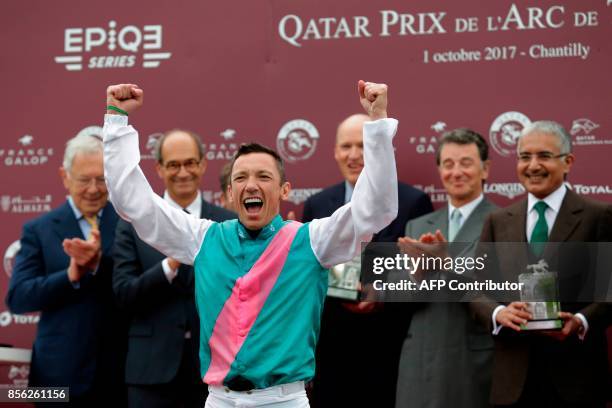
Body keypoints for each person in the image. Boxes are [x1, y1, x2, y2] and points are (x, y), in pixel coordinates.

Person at [102, 80, 398, 407]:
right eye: (240, 178)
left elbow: (375, 208)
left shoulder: (312, 240)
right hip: (219, 400)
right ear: (229, 193)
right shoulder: (203, 239)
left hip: (284, 401)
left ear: (285, 190)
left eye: (264, 177)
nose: (251, 185)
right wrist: (117, 121)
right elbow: (133, 202)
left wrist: (378, 123)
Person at [471, 121, 612, 407]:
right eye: (524, 157)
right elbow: (475, 287)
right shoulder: (498, 222)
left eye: (544, 156)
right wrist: (498, 312)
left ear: (568, 162)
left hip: (577, 379)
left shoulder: (599, 216)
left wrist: (581, 322)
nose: (533, 165)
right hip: (513, 382)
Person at [302, 113, 433, 408]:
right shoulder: (317, 204)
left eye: (362, 146)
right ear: (335, 151)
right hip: (333, 343)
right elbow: (310, 273)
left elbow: (424, 273)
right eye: (346, 146)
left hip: (389, 340)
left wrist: (383, 293)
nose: (353, 155)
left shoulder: (414, 201)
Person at [113, 128, 235, 407]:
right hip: (151, 373)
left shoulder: (226, 224)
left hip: (215, 371)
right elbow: (123, 294)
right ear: (158, 168)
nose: (183, 172)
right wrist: (170, 264)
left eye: (190, 163)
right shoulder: (135, 224)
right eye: (173, 165)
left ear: (203, 164)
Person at [5, 133, 126, 406]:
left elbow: (137, 285)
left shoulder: (129, 225)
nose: (94, 189)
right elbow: (19, 297)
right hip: (56, 378)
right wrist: (71, 276)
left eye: (101, 179)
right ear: (65, 176)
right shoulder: (40, 229)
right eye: (84, 180)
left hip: (119, 375)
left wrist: (98, 264)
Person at [395, 129, 496, 408]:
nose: (456, 172)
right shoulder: (418, 225)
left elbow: (498, 292)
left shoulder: (503, 222)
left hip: (471, 358)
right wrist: (415, 271)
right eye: (448, 164)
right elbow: (400, 294)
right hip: (420, 359)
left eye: (466, 163)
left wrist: (445, 263)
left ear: (485, 169)